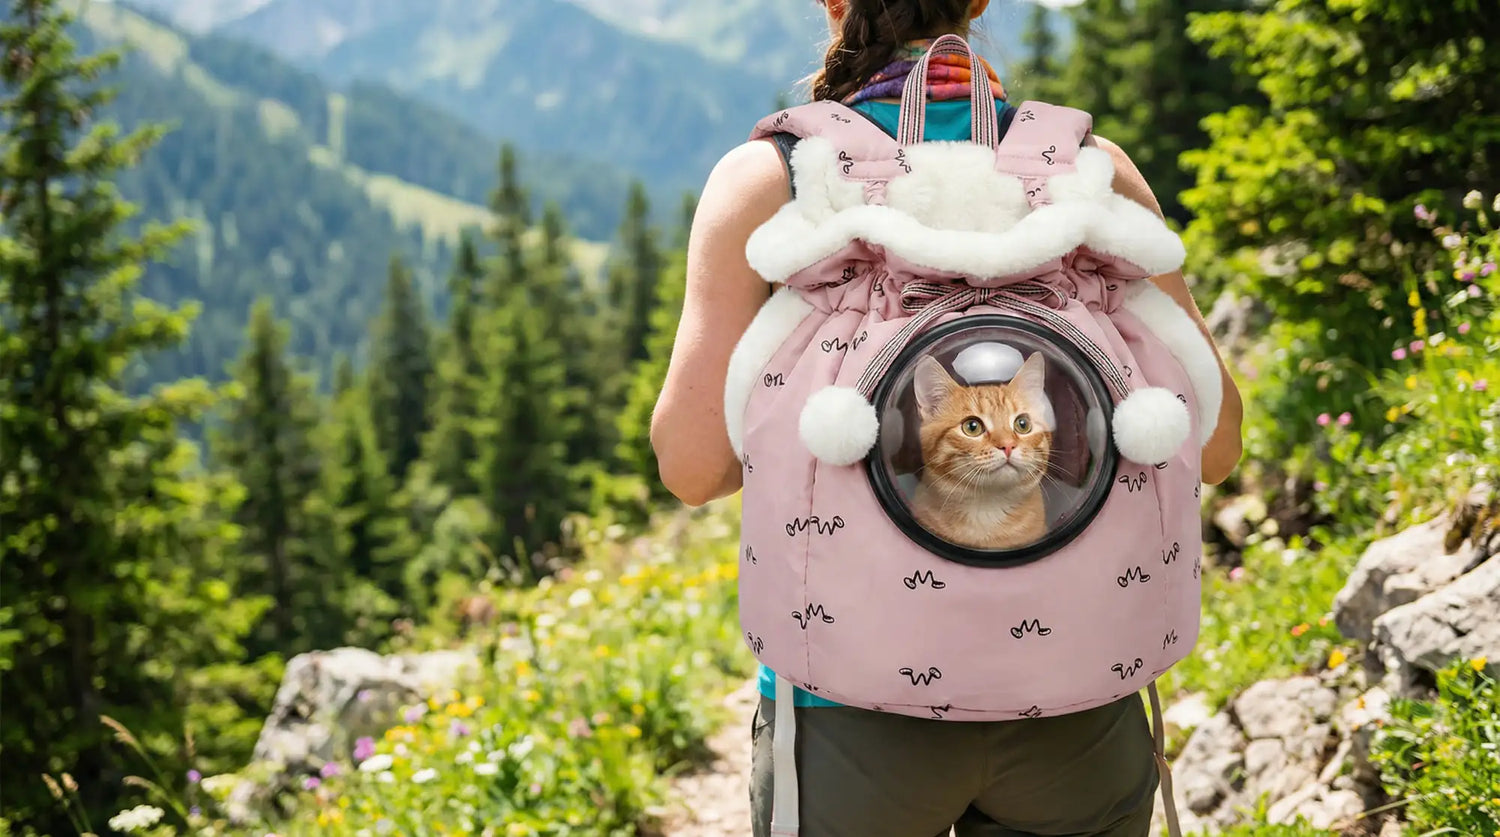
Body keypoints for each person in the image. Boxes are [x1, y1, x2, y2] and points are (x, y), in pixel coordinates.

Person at [650, 1, 1246, 835]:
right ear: (980, 2)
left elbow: (690, 466)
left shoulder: (773, 177)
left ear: (833, 2)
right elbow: (1217, 443)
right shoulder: (1089, 168)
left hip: (852, 714)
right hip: (1080, 704)